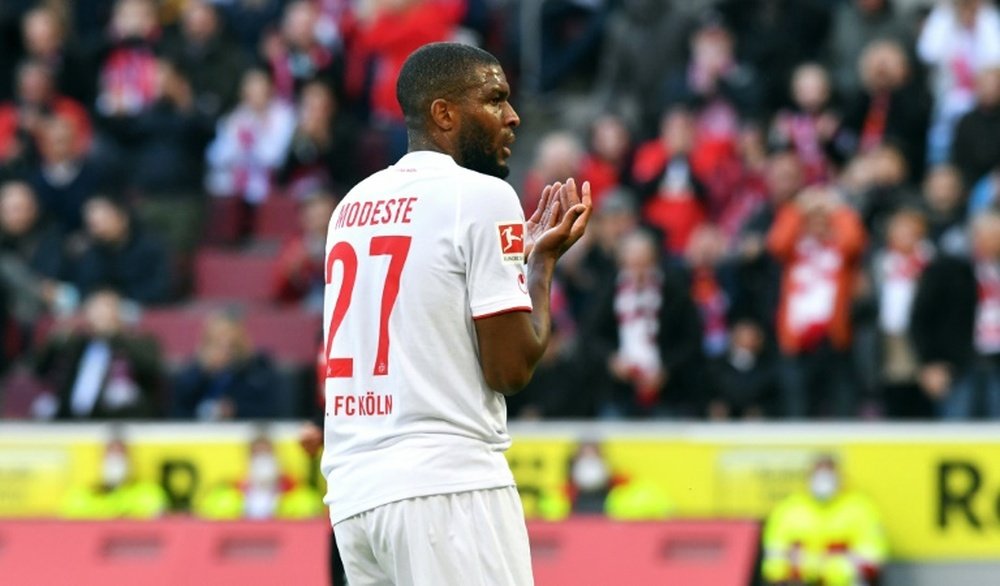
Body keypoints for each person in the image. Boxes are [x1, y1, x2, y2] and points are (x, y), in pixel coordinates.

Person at [321, 42, 592, 586]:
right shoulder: (482, 196)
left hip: (354, 495)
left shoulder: (351, 205)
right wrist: (539, 267)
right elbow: (510, 369)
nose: (512, 117)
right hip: (446, 488)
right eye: (494, 100)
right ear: (444, 113)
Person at [761, 455, 888, 586]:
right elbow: (774, 562)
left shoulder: (860, 509)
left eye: (829, 476)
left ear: (840, 478)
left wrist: (828, 568)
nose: (823, 483)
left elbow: (871, 560)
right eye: (818, 476)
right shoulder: (789, 509)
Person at [170, 311, 280, 420]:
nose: (224, 350)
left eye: (230, 344)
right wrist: (203, 372)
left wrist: (236, 410)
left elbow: (269, 410)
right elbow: (179, 408)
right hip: (198, 433)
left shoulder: (257, 368)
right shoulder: (194, 369)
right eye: (217, 343)